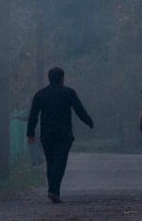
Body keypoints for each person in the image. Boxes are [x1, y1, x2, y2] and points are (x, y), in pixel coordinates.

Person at [26, 66, 94, 203]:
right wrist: (89, 122)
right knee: (60, 162)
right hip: (63, 134)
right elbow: (79, 110)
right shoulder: (68, 92)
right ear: (62, 78)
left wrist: (30, 133)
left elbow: (33, 115)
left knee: (51, 161)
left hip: (47, 134)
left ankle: (53, 190)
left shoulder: (40, 94)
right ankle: (53, 190)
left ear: (49, 78)